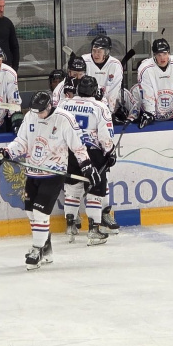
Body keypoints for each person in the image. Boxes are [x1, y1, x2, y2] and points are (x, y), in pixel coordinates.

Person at [0, 90, 97, 270]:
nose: (37, 114)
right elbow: (21, 141)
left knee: (40, 213)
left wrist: (86, 165)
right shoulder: (31, 116)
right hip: (33, 172)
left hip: (53, 174)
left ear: (49, 106)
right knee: (31, 213)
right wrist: (4, 152)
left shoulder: (64, 119)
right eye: (35, 111)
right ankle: (46, 247)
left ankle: (36, 250)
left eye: (41, 111)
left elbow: (78, 146)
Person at [58, 75, 117, 245]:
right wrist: (110, 152)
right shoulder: (100, 107)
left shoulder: (64, 104)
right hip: (92, 153)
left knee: (72, 188)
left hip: (69, 152)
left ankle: (70, 227)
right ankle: (93, 230)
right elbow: (105, 137)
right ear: (95, 90)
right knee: (95, 190)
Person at [82, 35, 124, 114]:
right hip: (87, 105)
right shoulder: (84, 61)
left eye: (99, 52)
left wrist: (109, 112)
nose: (96, 54)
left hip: (107, 105)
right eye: (94, 51)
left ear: (107, 52)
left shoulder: (115, 65)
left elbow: (113, 91)